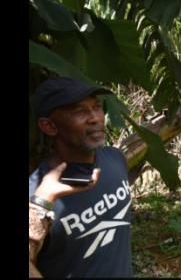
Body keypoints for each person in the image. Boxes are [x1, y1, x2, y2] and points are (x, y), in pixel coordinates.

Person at [29, 77, 133, 278]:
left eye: (96, 107)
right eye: (80, 111)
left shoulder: (115, 159)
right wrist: (42, 201)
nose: (95, 118)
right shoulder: (36, 194)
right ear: (49, 126)